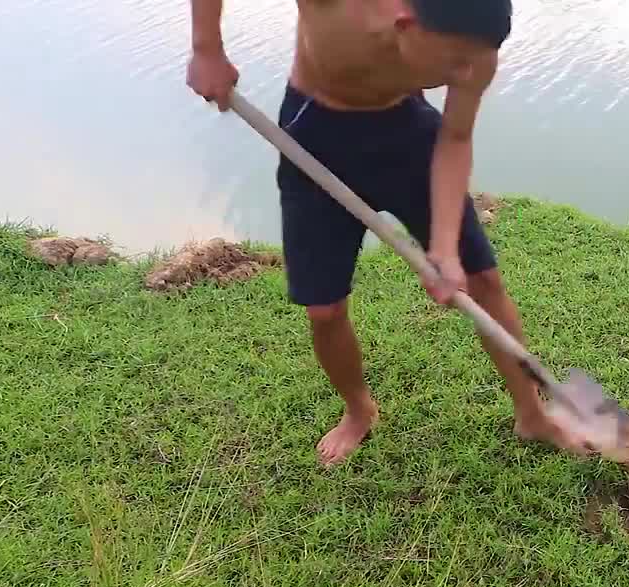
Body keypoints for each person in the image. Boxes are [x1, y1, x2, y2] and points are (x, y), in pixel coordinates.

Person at [187, 0, 586, 465]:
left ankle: (530, 410)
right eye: (453, 61)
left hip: (408, 133)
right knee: (324, 309)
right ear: (405, 25)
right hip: (316, 133)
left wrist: (443, 250)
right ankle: (359, 410)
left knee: (484, 279)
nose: (466, 73)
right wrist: (207, 47)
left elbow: (456, 139)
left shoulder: (474, 47)